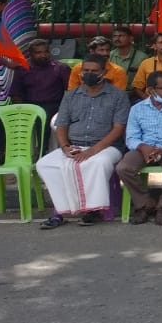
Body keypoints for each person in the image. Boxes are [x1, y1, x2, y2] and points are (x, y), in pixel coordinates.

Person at [35, 55, 130, 229]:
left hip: (106, 147)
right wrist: (65, 148)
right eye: (86, 70)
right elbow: (61, 125)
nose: (89, 74)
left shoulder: (118, 96)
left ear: (104, 72)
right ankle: (61, 211)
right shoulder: (71, 96)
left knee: (97, 163)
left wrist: (93, 150)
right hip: (75, 145)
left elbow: (118, 129)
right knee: (45, 164)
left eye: (94, 71)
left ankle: (93, 211)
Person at [116, 71, 162, 225]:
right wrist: (143, 147)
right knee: (123, 168)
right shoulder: (137, 109)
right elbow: (131, 137)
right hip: (143, 149)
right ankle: (144, 204)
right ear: (151, 90)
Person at [9, 39, 71, 149]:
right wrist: (22, 111)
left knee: (46, 116)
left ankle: (44, 150)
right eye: (38, 53)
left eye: (46, 52)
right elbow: (16, 94)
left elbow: (71, 92)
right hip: (30, 106)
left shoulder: (61, 68)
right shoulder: (22, 69)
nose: (43, 55)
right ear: (31, 54)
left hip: (55, 106)